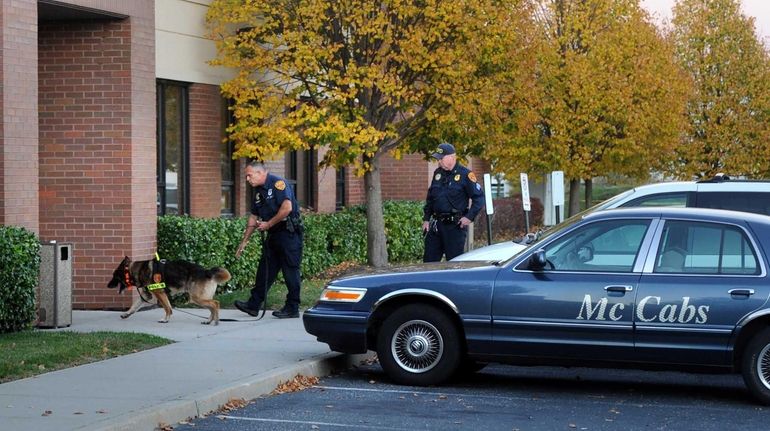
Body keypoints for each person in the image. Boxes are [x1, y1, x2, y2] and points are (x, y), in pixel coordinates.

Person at [234, 161, 303, 318]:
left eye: (249, 175)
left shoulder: (278, 184)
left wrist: (269, 223)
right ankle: (253, 305)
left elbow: (287, 208)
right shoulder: (259, 192)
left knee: (290, 271)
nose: (247, 179)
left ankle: (292, 307)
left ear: (260, 173)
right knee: (265, 270)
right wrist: (244, 241)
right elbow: (253, 217)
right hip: (273, 235)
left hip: (289, 234)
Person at [422, 143, 484, 262]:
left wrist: (469, 217)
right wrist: (426, 219)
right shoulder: (438, 174)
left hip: (454, 227)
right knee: (428, 262)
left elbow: (479, 198)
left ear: (452, 157)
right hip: (436, 225)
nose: (439, 161)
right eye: (438, 159)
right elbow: (430, 198)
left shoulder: (465, 174)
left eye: (441, 158)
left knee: (454, 263)